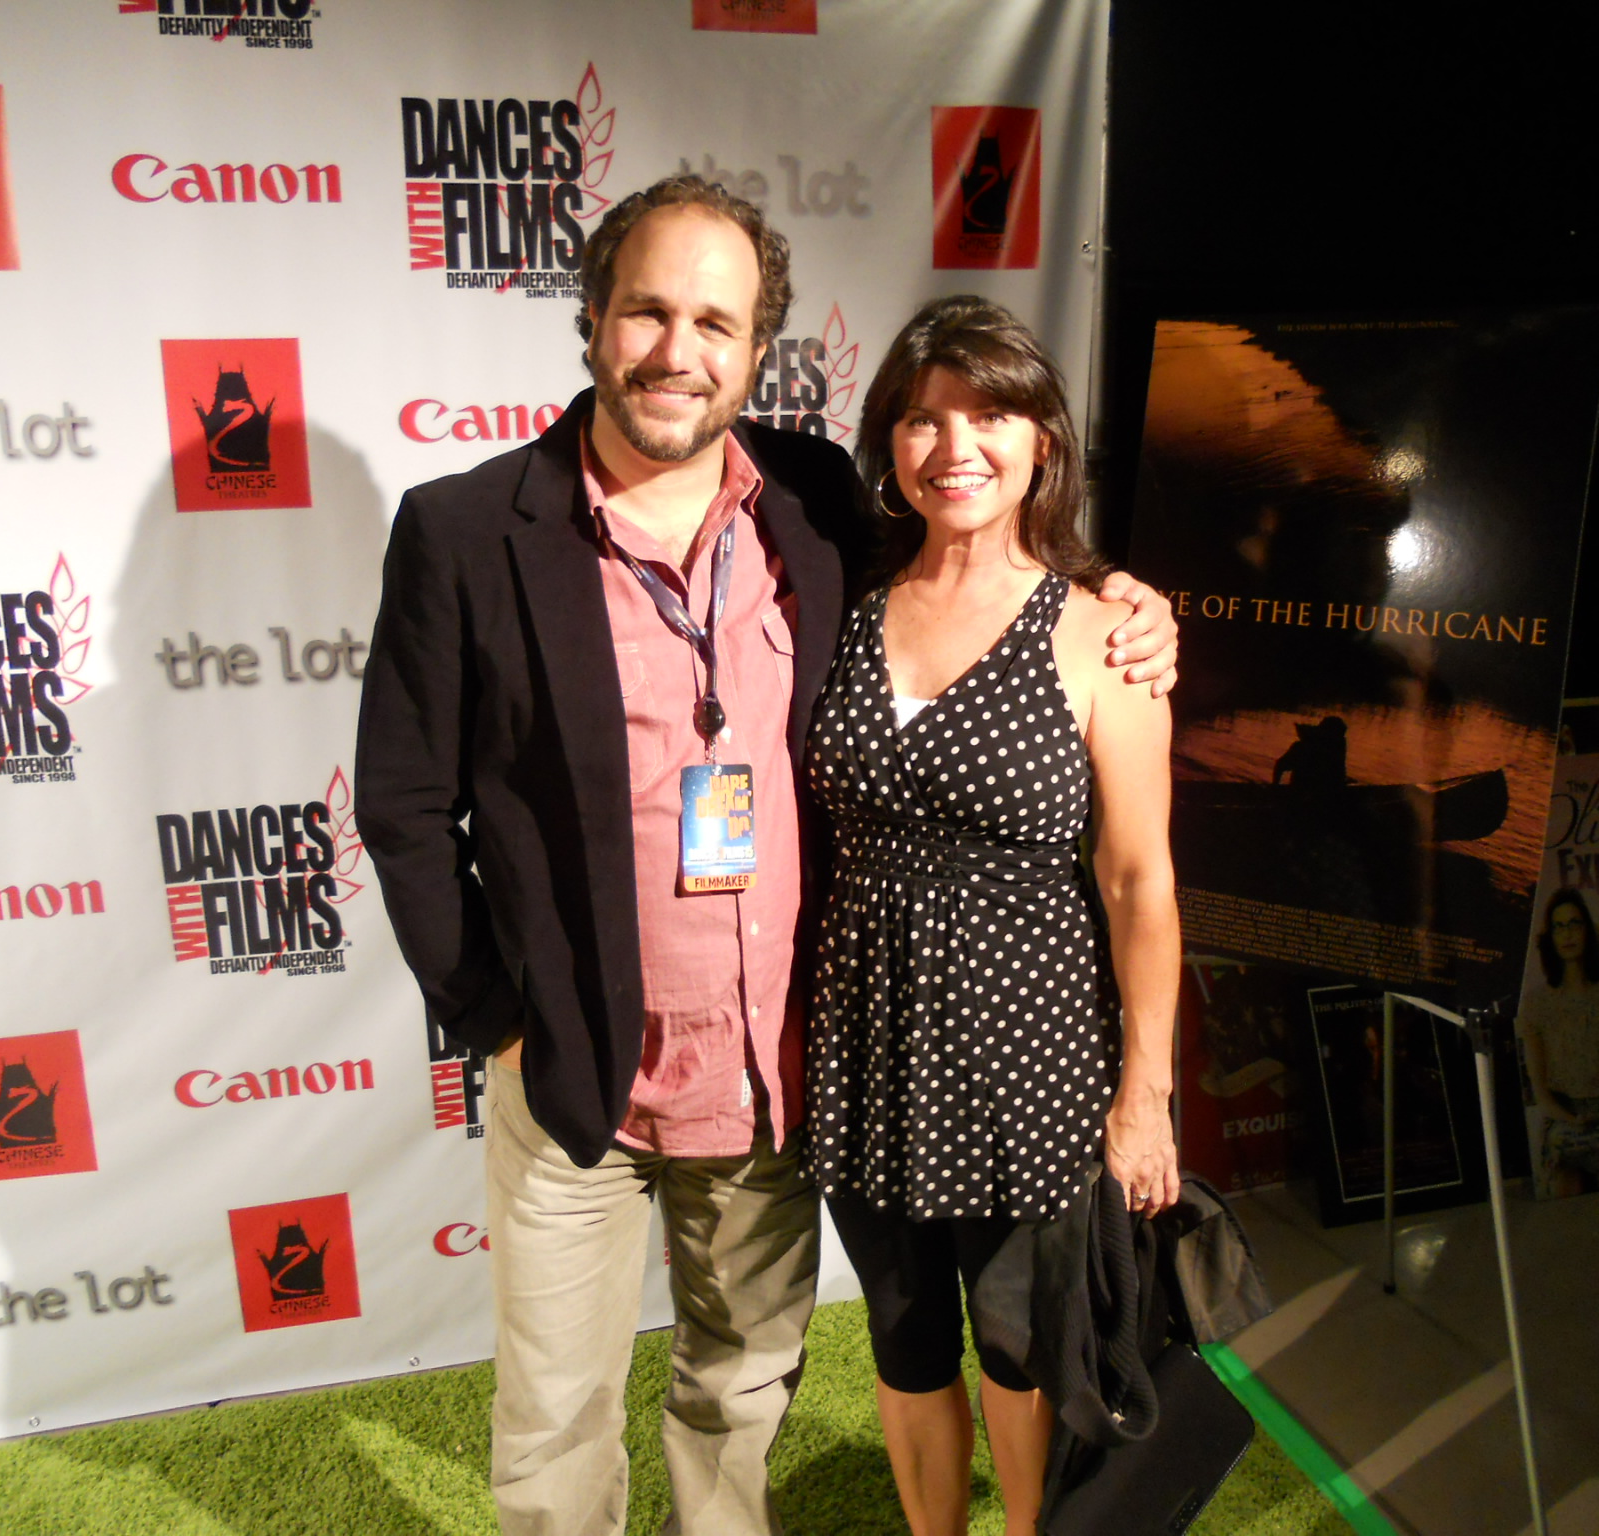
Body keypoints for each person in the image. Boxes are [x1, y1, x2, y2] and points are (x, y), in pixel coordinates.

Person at [354, 177, 1178, 1536]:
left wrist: (1132, 601)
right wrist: (494, 1014)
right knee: (556, 1422)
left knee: (741, 1388)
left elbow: (985, 557)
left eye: (715, 322)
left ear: (756, 349)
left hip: (773, 1076)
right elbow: (400, 806)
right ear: (596, 322)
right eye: (649, 312)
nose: (678, 351)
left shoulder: (807, 502)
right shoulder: (463, 531)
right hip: (577, 1079)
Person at [803, 296, 1182, 1536]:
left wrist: (1144, 1095)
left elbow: (1140, 886)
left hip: (1028, 1062)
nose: (952, 444)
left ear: (1041, 443)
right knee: (906, 1347)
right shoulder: (843, 601)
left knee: (1019, 1352)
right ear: (887, 443)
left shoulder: (1102, 638)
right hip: (865, 1053)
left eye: (988, 414)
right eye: (920, 417)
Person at [1519, 887, 1599, 1197]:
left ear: (1588, 930)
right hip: (1564, 1115)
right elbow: (1540, 1091)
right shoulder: (1537, 1004)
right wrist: (1572, 1119)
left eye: (1575, 924)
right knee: (1568, 1184)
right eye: (1559, 926)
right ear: (1549, 936)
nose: (1567, 934)